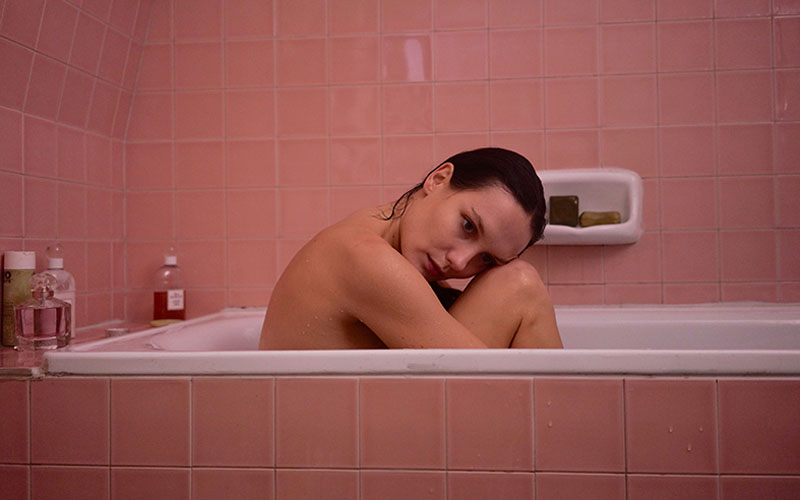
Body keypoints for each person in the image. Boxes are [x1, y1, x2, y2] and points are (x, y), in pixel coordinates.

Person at [259, 147, 562, 349]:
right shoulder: (365, 257)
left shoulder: (374, 236)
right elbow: (481, 384)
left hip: (343, 417)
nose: (459, 262)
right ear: (438, 179)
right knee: (520, 285)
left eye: (485, 259)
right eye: (468, 225)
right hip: (325, 426)